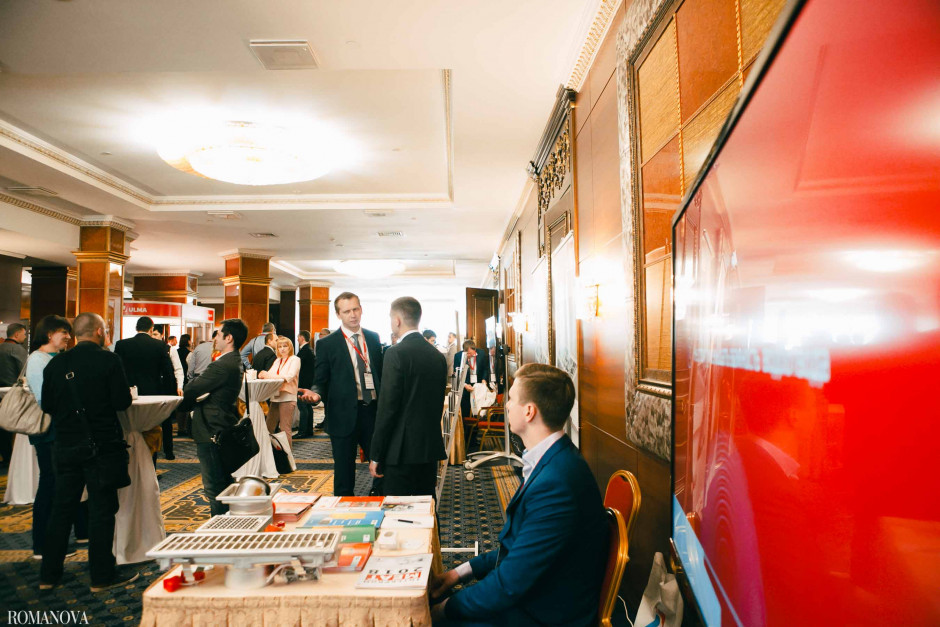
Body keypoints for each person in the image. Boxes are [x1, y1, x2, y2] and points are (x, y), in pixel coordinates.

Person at [429, 363, 608, 626]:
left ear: (529, 412)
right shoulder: (554, 459)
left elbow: (509, 584)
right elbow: (517, 550)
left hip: (544, 614)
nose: (507, 405)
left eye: (511, 399)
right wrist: (458, 573)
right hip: (534, 593)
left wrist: (444, 611)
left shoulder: (557, 484)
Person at [39, 313, 136, 592]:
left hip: (65, 445)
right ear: (99, 331)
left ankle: (48, 575)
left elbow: (47, 405)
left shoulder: (55, 364)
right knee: (101, 511)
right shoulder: (109, 360)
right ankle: (101, 576)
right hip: (100, 446)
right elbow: (121, 401)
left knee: (61, 509)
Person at [299, 292, 384, 496]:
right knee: (344, 476)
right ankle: (344, 510)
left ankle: (380, 502)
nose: (352, 315)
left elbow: (379, 374)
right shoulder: (327, 343)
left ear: (361, 309)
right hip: (342, 414)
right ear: (338, 315)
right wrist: (316, 395)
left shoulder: (373, 338)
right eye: (346, 311)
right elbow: (320, 380)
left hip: (373, 413)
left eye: (355, 309)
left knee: (382, 468)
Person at [370, 297, 447, 497]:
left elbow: (387, 408)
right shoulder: (438, 356)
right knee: (426, 505)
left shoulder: (395, 353)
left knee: (397, 508)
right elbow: (437, 404)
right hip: (428, 447)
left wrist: (376, 454)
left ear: (397, 320)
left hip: (399, 450)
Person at [26, 316, 88, 560]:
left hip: (62, 429)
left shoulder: (57, 357)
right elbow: (46, 398)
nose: (68, 337)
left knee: (67, 482)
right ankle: (41, 544)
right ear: (49, 333)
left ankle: (79, 532)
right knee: (50, 483)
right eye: (64, 332)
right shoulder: (37, 360)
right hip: (48, 431)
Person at [179, 318, 248, 516]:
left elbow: (192, 389)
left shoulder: (223, 364)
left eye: (218, 334)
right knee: (223, 483)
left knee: (215, 487)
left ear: (229, 338)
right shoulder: (234, 360)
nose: (214, 338)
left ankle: (221, 527)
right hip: (221, 424)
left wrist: (192, 398)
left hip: (211, 428)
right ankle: (227, 525)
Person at [258, 336, 300, 447]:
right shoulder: (278, 360)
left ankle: (287, 455)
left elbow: (288, 377)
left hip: (287, 396)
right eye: (280, 346)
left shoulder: (295, 359)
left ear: (290, 347)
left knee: (284, 428)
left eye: (285, 346)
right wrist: (266, 375)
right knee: (269, 427)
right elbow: (269, 375)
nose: (282, 349)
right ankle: (269, 453)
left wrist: (267, 375)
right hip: (276, 396)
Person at [151, 328, 184, 460]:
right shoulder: (150, 349)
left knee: (166, 420)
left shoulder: (170, 349)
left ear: (161, 335)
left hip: (165, 388)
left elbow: (178, 369)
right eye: (152, 334)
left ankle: (168, 450)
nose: (153, 336)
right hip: (153, 389)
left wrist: (179, 386)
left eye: (156, 334)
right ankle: (153, 449)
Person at [0, 322, 28, 464]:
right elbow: (24, 371)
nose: (25, 336)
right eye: (24, 334)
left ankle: (5, 455)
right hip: (12, 393)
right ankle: (12, 458)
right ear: (16, 334)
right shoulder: (17, 350)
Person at [453, 340, 491, 420]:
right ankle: (466, 426)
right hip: (466, 386)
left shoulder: (481, 353)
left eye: (471, 353)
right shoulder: (458, 356)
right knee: (466, 409)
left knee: (478, 407)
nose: (469, 355)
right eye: (467, 353)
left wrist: (484, 379)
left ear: (475, 349)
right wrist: (465, 385)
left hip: (478, 386)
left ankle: (477, 425)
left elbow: (485, 369)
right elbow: (456, 374)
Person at [295, 331, 316, 438]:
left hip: (303, 383)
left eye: (298, 337)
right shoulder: (309, 350)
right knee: (307, 407)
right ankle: (309, 430)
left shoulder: (304, 351)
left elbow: (299, 368)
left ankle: (302, 431)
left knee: (303, 407)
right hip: (308, 383)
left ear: (302, 338)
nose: (297, 339)